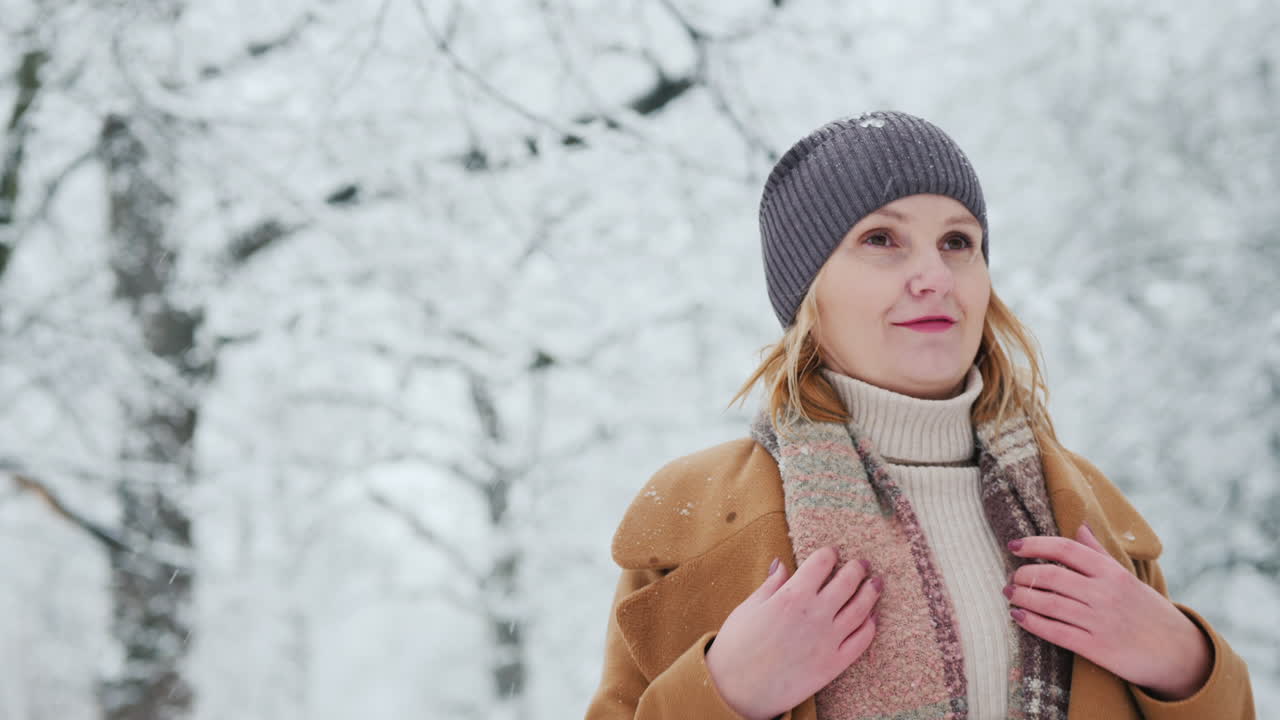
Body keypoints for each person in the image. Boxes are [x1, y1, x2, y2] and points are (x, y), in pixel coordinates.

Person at [583, 111, 1255, 720]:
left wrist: (1183, 664)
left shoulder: (1085, 507)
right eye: (882, 239)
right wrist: (724, 694)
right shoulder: (695, 514)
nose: (935, 274)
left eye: (959, 242)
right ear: (807, 293)